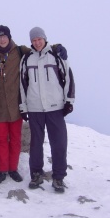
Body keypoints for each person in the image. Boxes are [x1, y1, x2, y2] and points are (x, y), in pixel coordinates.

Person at [0, 25, 68, 184]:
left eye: (5, 36)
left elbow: (40, 50)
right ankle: (1, 170)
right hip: (0, 104)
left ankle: (13, 169)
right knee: (0, 138)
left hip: (16, 104)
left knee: (15, 138)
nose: (2, 39)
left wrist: (57, 47)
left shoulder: (20, 51)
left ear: (9, 37)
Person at [19, 27, 75, 193]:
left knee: (59, 143)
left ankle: (58, 177)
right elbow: (22, 84)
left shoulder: (57, 55)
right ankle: (36, 174)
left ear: (44, 38)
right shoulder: (27, 58)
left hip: (55, 107)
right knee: (36, 144)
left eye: (39, 39)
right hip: (35, 108)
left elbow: (69, 79)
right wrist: (23, 106)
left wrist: (69, 101)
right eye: (34, 40)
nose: (37, 43)